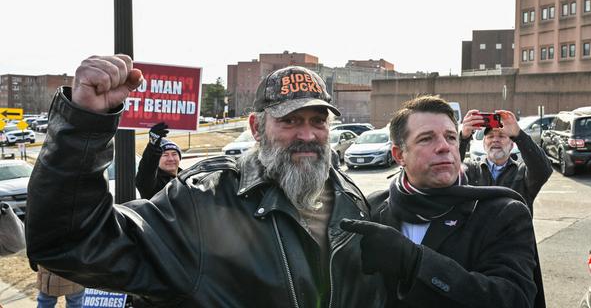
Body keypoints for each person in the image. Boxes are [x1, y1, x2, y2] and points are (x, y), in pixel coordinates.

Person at [26, 55, 385, 307]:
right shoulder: (203, 203)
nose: (307, 134)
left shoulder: (348, 197)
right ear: (256, 128)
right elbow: (69, 243)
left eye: (317, 120)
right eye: (289, 121)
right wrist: (84, 123)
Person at [341, 95, 538, 308]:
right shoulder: (372, 208)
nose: (444, 147)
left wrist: (417, 262)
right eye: (427, 138)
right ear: (399, 155)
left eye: (451, 137)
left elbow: (515, 299)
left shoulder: (503, 213)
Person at [459, 109, 553, 212]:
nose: (495, 140)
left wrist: (519, 134)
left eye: (501, 136)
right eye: (490, 136)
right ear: (484, 144)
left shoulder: (522, 172)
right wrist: (463, 138)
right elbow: (451, 170)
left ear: (512, 145)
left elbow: (543, 170)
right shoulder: (471, 169)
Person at [135, 121, 183, 199]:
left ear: (180, 158)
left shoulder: (186, 178)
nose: (171, 159)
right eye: (165, 155)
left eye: (174, 154)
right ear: (157, 159)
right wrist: (153, 145)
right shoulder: (151, 182)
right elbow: (147, 168)